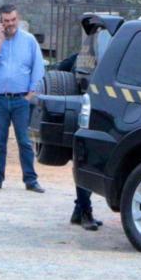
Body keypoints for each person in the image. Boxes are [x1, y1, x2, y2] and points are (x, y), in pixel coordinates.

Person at [54, 13, 112, 230]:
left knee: (86, 164)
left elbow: (57, 73)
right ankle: (85, 211)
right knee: (85, 164)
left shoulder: (82, 58)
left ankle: (79, 211)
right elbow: (57, 77)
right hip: (84, 117)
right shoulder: (82, 59)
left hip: (87, 115)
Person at [0, 4, 45, 193]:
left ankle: (31, 180)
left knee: (24, 141)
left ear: (18, 19)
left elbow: (38, 68)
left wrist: (31, 94)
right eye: (6, 21)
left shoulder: (29, 41)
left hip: (21, 100)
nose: (10, 24)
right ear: (1, 22)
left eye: (13, 20)